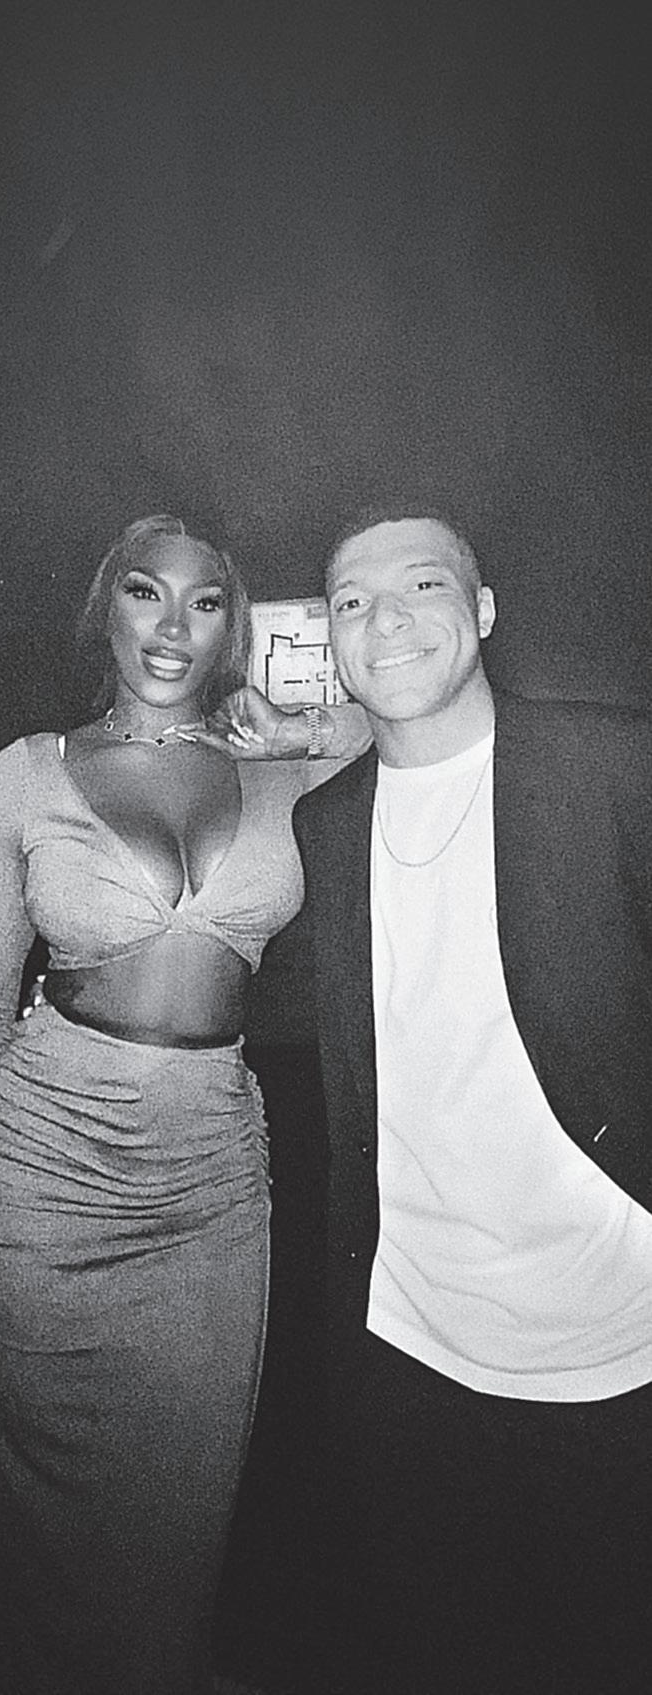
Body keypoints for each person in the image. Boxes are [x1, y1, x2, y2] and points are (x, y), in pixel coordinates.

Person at [0, 513, 368, 1695]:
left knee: (175, 1540)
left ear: (233, 624)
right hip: (29, 1183)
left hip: (207, 1193)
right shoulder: (25, 771)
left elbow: (400, 726)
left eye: (206, 602)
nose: (172, 627)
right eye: (147, 592)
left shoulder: (278, 762)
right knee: (27, 1541)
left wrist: (305, 723)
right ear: (104, 605)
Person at [280, 506, 652, 1695]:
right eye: (350, 600)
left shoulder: (615, 767)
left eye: (422, 585)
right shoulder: (324, 820)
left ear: (482, 611)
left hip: (616, 1345)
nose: (384, 617)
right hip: (407, 1353)